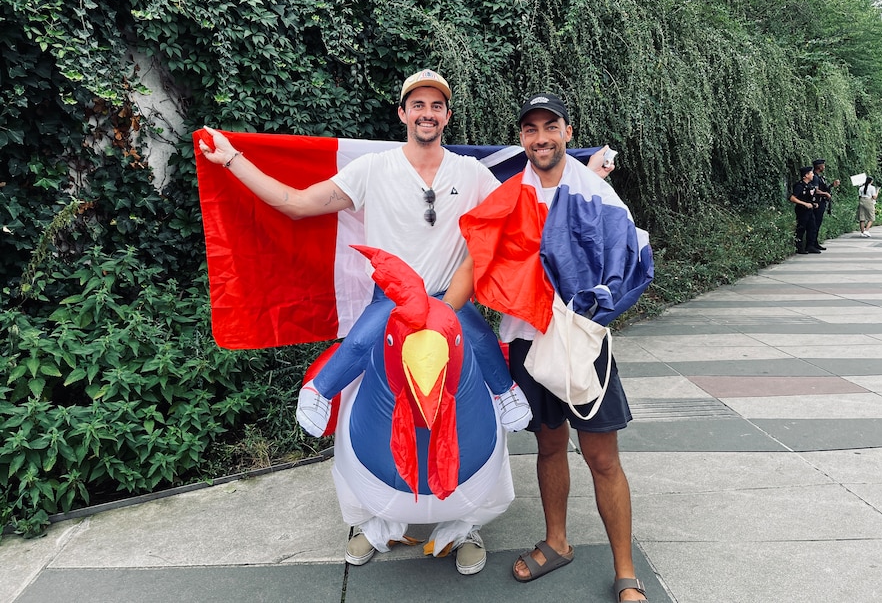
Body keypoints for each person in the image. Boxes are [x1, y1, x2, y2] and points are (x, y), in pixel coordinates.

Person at [198, 68, 530, 575]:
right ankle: (331, 423)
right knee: (361, 349)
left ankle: (470, 513)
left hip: (451, 308)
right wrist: (234, 159)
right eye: (417, 104)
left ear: (447, 115)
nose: (427, 113)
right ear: (402, 113)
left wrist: (584, 174)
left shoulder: (472, 174)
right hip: (391, 305)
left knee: (476, 360)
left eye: (436, 105)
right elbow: (296, 204)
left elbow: (522, 202)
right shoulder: (372, 169)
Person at [461, 94, 653, 602]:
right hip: (523, 342)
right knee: (548, 445)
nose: (540, 137)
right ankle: (557, 542)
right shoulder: (506, 194)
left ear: (568, 131)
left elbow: (633, 261)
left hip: (578, 345)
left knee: (602, 457)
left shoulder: (595, 194)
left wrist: (590, 316)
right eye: (530, 129)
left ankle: (626, 571)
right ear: (521, 138)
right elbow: (478, 254)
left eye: (550, 127)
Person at [789, 166, 822, 254]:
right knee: (801, 228)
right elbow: (792, 198)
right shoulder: (800, 186)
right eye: (811, 173)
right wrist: (804, 204)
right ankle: (799, 247)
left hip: (809, 210)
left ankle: (810, 246)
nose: (813, 175)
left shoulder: (809, 186)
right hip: (802, 210)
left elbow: (809, 197)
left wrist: (813, 203)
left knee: (812, 227)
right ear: (806, 175)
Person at [809, 158, 839, 250]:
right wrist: (825, 194)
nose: (824, 167)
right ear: (819, 167)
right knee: (815, 223)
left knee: (818, 223)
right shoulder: (815, 177)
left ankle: (815, 242)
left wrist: (831, 185)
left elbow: (824, 188)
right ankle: (811, 244)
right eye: (823, 165)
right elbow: (816, 190)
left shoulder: (820, 177)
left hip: (821, 202)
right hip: (817, 203)